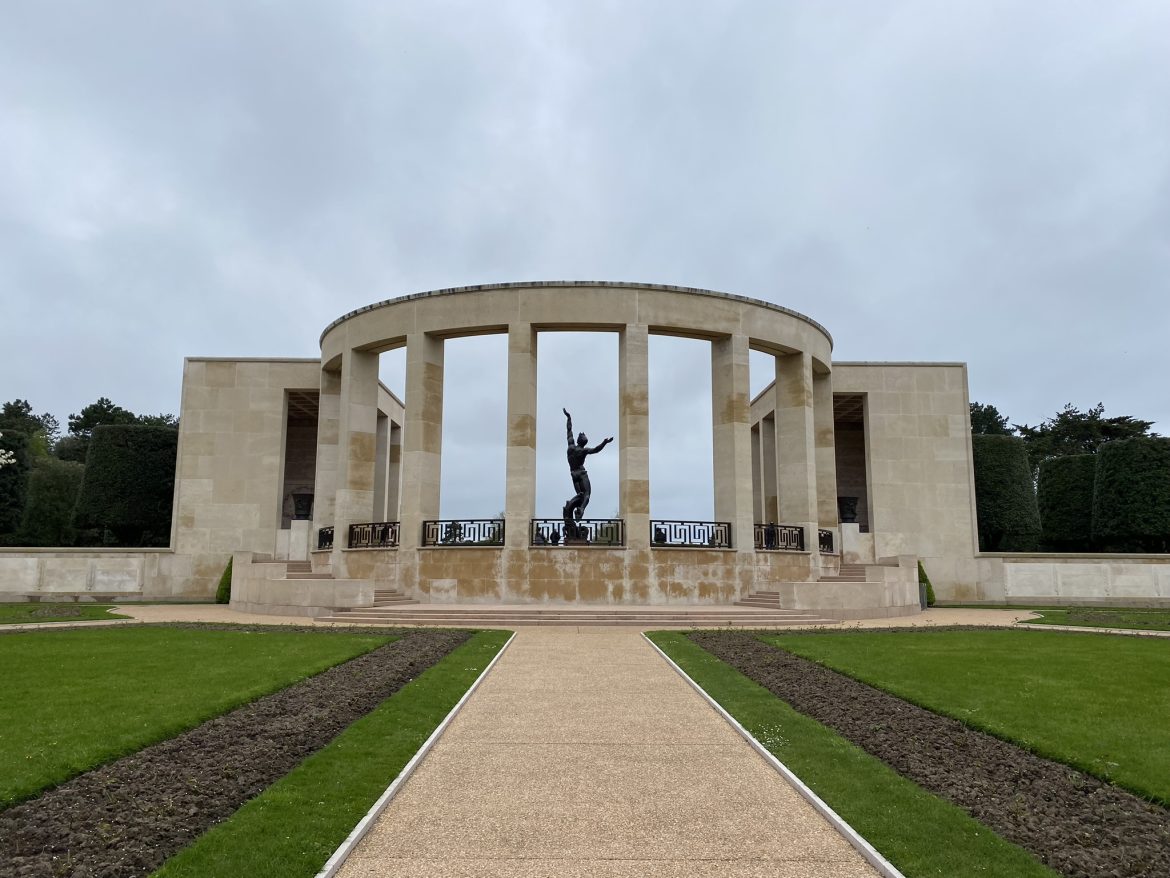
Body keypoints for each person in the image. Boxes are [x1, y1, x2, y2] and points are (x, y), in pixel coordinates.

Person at [563, 408, 612, 523]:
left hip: (573, 473)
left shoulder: (571, 446)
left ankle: (577, 509)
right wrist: (604, 443)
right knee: (587, 495)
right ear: (584, 442)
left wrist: (569, 418)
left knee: (580, 495)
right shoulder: (584, 451)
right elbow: (596, 450)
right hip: (581, 473)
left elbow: (569, 430)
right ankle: (581, 509)